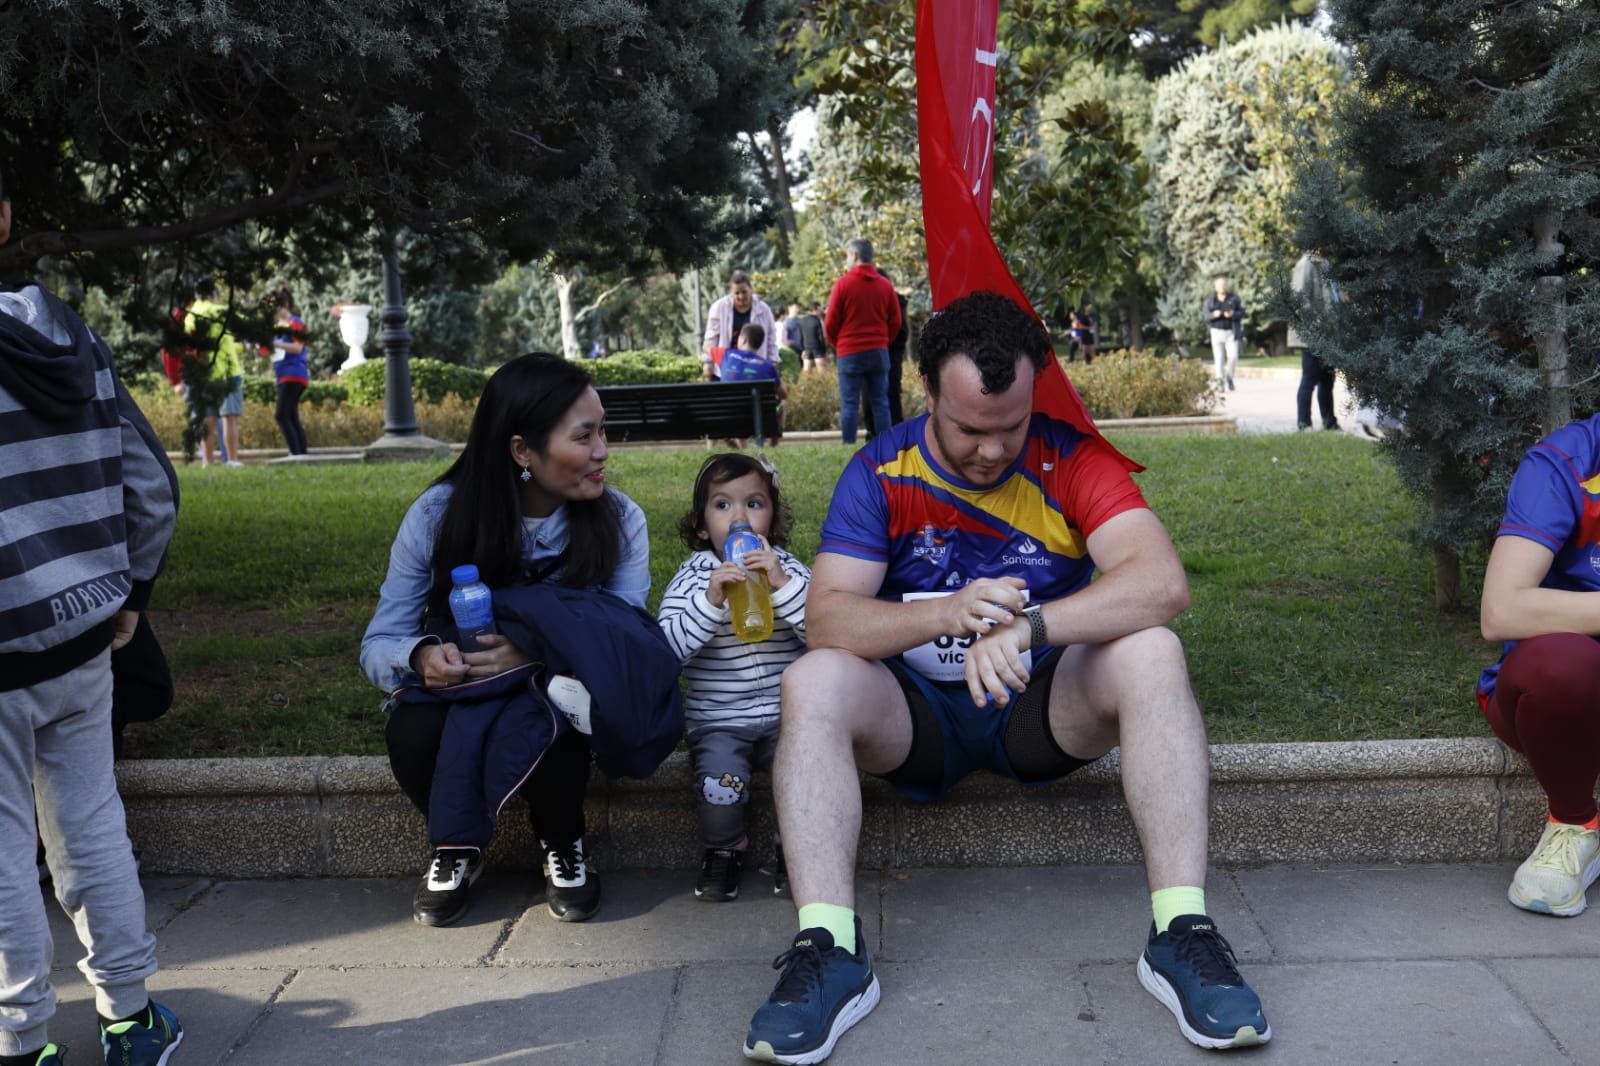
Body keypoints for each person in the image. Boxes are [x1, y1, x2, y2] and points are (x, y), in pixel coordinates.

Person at [742, 291, 1270, 1064]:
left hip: (1040, 709)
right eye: (967, 430)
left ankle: (1182, 931)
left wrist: (1032, 627)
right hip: (914, 719)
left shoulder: (1071, 457)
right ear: (928, 395)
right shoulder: (880, 470)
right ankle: (829, 949)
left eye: (1010, 428)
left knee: (1155, 650)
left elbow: (1162, 583)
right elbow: (828, 619)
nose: (991, 451)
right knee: (814, 680)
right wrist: (946, 614)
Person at [361, 354, 651, 928]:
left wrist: (537, 652)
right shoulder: (438, 516)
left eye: (603, 432)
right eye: (584, 436)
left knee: (554, 717)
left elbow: (628, 641)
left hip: (560, 693)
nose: (602, 452)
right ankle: (457, 847)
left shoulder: (618, 520)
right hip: (462, 692)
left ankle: (564, 843)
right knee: (415, 731)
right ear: (522, 451)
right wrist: (418, 656)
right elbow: (379, 641)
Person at [0, 171, 185, 1066]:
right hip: (80, 638)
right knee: (90, 825)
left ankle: (19, 1039)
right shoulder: (70, 334)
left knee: (2, 855)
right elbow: (152, 488)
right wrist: (131, 596)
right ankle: (130, 1015)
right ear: (4, 217)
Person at [658, 454, 810, 901]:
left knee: (804, 781)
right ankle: (723, 849)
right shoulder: (694, 578)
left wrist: (781, 585)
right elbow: (670, 651)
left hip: (791, 715)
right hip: (721, 718)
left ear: (773, 518)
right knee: (719, 791)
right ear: (702, 526)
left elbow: (822, 632)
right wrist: (710, 602)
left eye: (755, 504)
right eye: (723, 506)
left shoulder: (787, 568)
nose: (740, 517)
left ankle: (798, 850)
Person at [1478, 412, 1600, 916]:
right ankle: (1574, 824)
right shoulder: (1567, 462)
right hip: (1574, 689)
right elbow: (1500, 610)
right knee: (1561, 665)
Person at [824, 239, 902, 445]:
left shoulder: (842, 284)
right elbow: (896, 320)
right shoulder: (885, 285)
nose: (847, 260)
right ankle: (885, 446)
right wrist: (884, 341)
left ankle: (848, 446)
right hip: (878, 351)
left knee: (849, 403)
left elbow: (830, 322)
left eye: (848, 256)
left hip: (849, 351)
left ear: (855, 256)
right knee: (880, 403)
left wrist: (839, 344)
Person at [184, 278, 246, 465]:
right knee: (229, 418)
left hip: (204, 374)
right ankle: (232, 459)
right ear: (213, 294)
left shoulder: (191, 316)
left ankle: (208, 461)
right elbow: (241, 327)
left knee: (207, 419)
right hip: (226, 371)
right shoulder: (219, 312)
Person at [1290, 251, 1339, 430]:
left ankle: (1329, 422)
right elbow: (1300, 298)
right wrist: (1317, 324)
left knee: (1327, 379)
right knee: (1309, 378)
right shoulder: (1306, 264)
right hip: (1314, 334)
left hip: (1329, 333)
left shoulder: (1326, 263)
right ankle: (1304, 423)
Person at [719, 324, 787, 447]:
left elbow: (706, 348)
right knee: (782, 403)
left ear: (743, 339)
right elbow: (783, 394)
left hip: (728, 418)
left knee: (735, 405)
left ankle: (740, 447)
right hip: (759, 420)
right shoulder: (767, 366)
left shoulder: (726, 355)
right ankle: (773, 445)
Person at [702, 271, 777, 381]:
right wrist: (707, 362)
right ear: (731, 293)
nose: (741, 296)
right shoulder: (719, 307)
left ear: (751, 289)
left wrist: (773, 363)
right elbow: (711, 338)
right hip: (726, 368)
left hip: (753, 368)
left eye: (744, 292)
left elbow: (771, 339)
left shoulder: (764, 310)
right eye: (737, 293)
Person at [863, 270, 911, 438]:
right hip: (885, 351)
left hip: (880, 351)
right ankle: (884, 430)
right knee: (884, 392)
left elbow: (901, 330)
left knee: (879, 391)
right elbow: (903, 331)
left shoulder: (892, 300)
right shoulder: (893, 299)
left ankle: (879, 429)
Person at [267, 288, 311, 456]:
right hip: (282, 374)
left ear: (286, 305)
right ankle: (301, 453)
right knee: (291, 415)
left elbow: (297, 347)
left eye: (278, 307)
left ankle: (296, 453)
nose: (276, 312)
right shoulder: (277, 327)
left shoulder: (295, 323)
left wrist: (275, 344)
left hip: (293, 373)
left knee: (282, 415)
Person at [1203, 279, 1242, 391]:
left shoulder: (1233, 298)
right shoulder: (1211, 300)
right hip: (1216, 332)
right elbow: (1205, 315)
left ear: (1227, 286)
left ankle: (1229, 377)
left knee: (1233, 357)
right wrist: (1213, 315)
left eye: (1224, 285)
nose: (1222, 287)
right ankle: (1220, 383)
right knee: (1219, 359)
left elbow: (1242, 312)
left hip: (1231, 332)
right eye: (1219, 285)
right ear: (1215, 287)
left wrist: (1233, 314)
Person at [798, 302, 828, 373]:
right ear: (816, 309)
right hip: (818, 349)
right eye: (819, 309)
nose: (820, 311)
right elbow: (821, 337)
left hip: (807, 348)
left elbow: (801, 336)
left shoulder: (802, 320)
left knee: (806, 372)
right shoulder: (818, 321)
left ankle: (805, 384)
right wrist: (824, 351)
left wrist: (803, 349)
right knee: (822, 372)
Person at [1071, 302, 1100, 367]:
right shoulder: (1083, 317)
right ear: (1087, 309)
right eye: (1090, 308)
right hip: (1085, 336)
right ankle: (1084, 365)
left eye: (1092, 308)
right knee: (1084, 351)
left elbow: (1092, 325)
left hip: (1090, 336)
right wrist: (1089, 328)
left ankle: (1095, 364)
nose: (1092, 309)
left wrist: (1094, 326)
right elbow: (1080, 326)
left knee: (1092, 351)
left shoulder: (1091, 317)